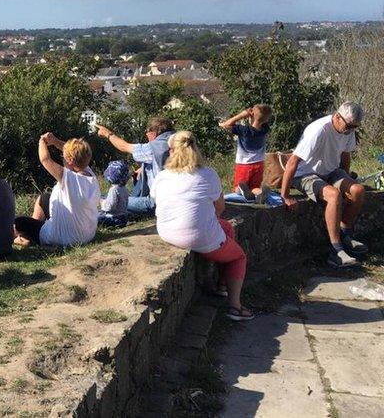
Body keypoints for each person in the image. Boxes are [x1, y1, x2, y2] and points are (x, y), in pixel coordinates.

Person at [152, 131, 254, 321]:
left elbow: (157, 201)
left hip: (166, 231)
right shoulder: (208, 174)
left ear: (172, 151)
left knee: (228, 229)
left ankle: (223, 284)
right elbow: (220, 208)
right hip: (197, 236)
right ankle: (235, 307)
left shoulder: (162, 176)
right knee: (239, 257)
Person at [280, 102, 368, 268]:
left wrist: (346, 180)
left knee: (358, 190)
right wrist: (285, 195)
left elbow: (345, 155)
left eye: (354, 127)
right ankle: (336, 250)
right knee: (333, 195)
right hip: (305, 174)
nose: (350, 130)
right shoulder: (319, 130)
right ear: (336, 116)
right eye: (348, 125)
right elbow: (293, 161)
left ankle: (345, 233)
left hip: (331, 171)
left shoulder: (348, 129)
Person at [14, 134, 101, 247]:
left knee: (18, 222)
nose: (62, 158)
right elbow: (75, 152)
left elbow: (45, 159)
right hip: (87, 235)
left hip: (62, 238)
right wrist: (55, 141)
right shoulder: (90, 175)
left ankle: (29, 237)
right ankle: (34, 230)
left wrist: (41, 141)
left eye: (63, 156)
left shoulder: (68, 178)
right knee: (44, 198)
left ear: (69, 160)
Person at [95, 117, 175, 216]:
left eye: (147, 131)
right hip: (178, 197)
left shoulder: (153, 148)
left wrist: (108, 134)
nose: (146, 134)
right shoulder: (179, 141)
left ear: (153, 133)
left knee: (113, 201)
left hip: (160, 202)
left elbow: (124, 146)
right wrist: (144, 168)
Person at [219, 104, 273, 198]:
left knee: (238, 188)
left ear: (251, 116)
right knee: (254, 187)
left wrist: (241, 115)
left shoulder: (244, 130)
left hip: (244, 165)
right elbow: (262, 118)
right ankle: (261, 192)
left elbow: (225, 125)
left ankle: (241, 190)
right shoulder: (265, 129)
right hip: (259, 164)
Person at [98, 160, 130, 227]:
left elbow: (109, 207)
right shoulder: (124, 188)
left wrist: (102, 202)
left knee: (95, 218)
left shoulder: (114, 190)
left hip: (114, 219)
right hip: (123, 218)